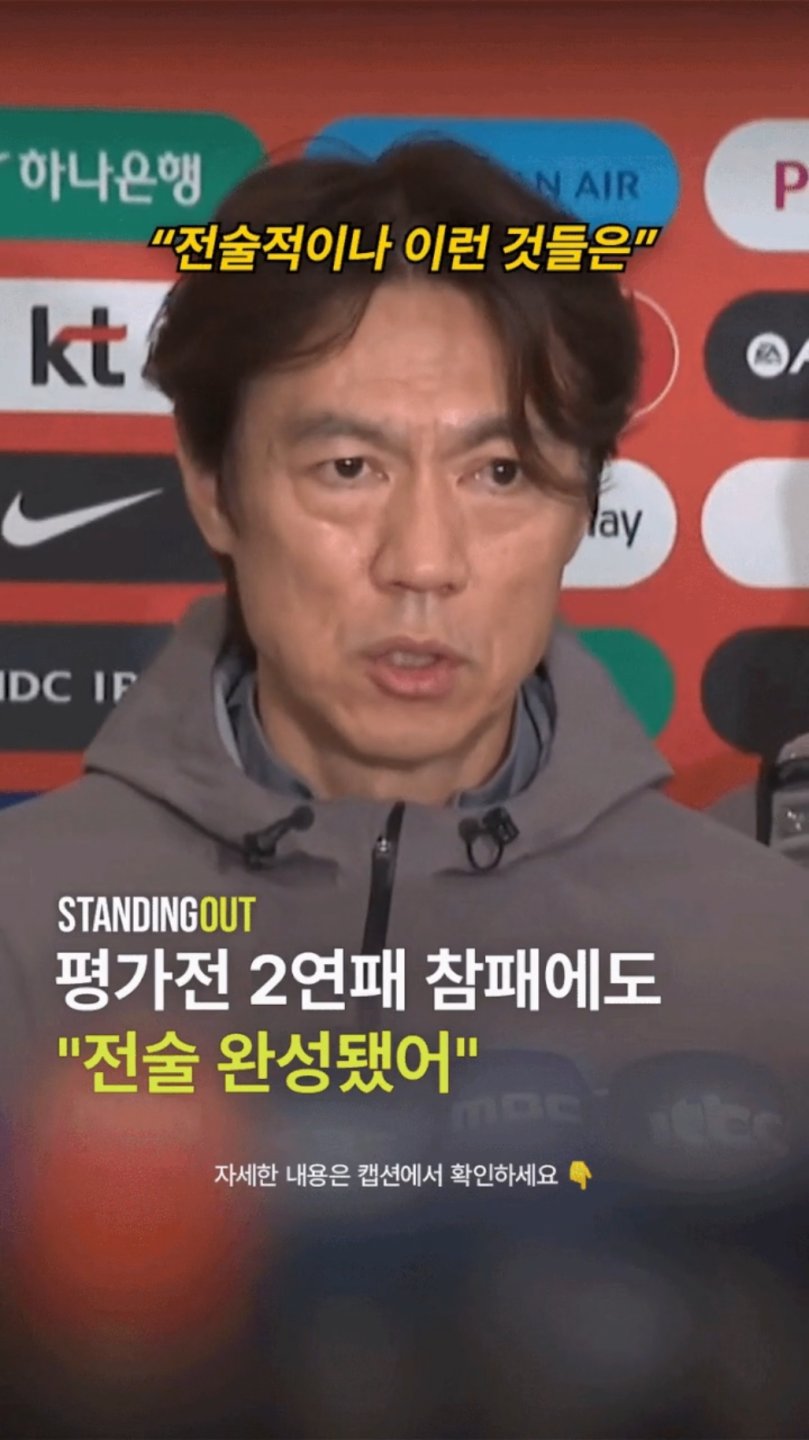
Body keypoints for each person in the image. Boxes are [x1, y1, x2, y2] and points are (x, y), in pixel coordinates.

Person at [1, 138, 808, 1439]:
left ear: (583, 504)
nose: (423, 561)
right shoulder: (18, 929)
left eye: (501, 473)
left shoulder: (778, 956)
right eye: (349, 468)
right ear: (213, 486)